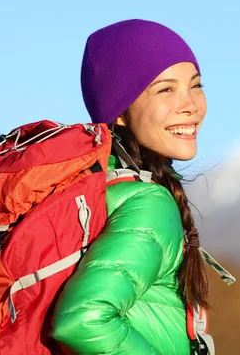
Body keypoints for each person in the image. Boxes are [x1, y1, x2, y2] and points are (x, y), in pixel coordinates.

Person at [50, 19, 211, 354]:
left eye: (195, 85)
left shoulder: (93, 189)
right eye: (166, 89)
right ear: (119, 112)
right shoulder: (150, 204)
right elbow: (82, 318)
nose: (191, 104)